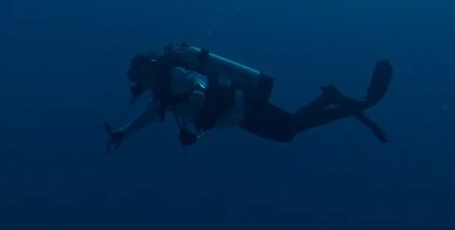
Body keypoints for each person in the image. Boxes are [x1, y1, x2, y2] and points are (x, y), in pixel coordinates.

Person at [105, 44, 392, 152]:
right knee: (290, 129)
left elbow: (200, 84)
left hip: (244, 108)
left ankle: (363, 101)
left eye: (138, 76)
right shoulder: (162, 92)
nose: (138, 84)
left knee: (291, 130)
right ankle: (328, 99)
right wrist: (122, 134)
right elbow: (145, 118)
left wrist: (198, 103)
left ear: (149, 70)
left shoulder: (175, 77)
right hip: (240, 116)